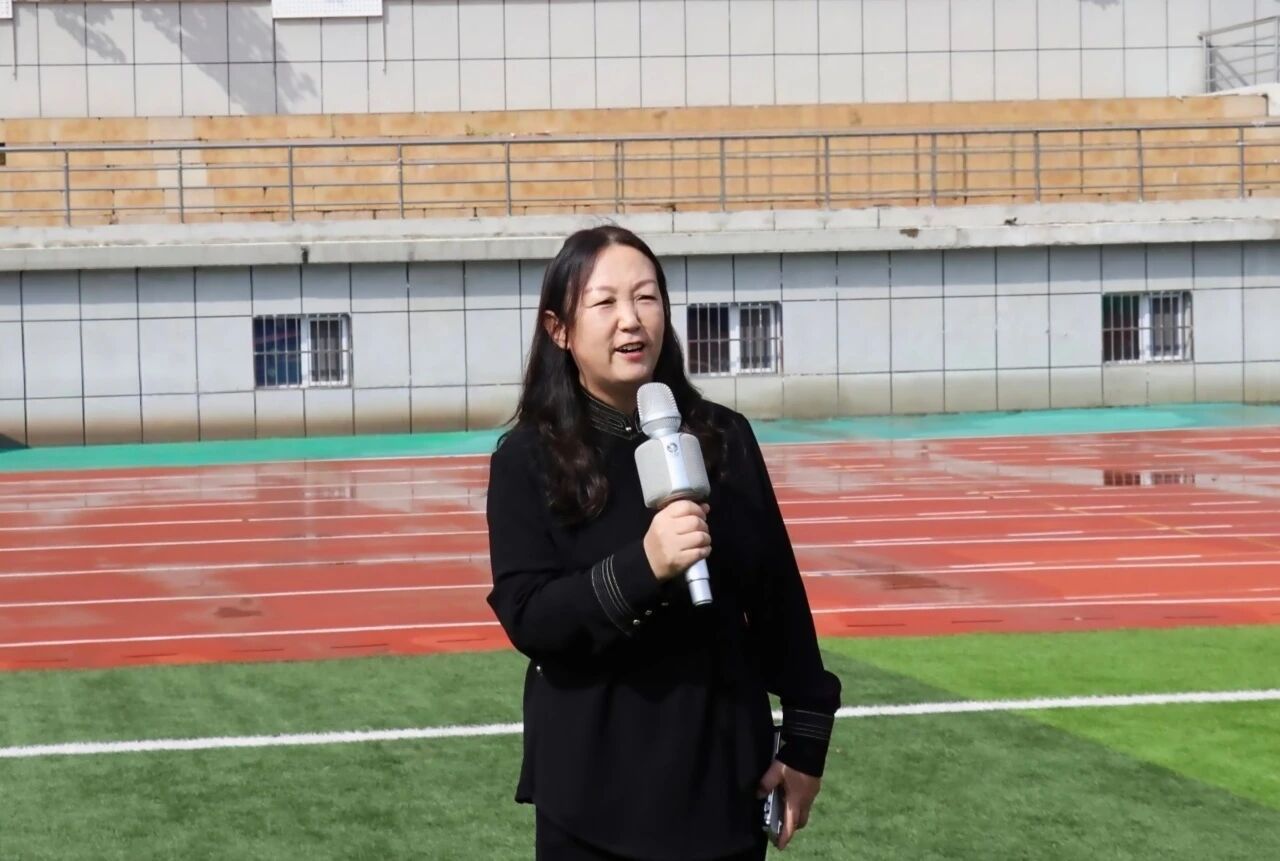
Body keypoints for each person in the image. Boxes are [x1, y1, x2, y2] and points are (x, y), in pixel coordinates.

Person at [485, 225, 841, 860]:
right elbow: (529, 616)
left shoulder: (724, 438)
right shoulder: (527, 459)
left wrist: (806, 744)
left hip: (721, 782)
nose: (631, 320)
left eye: (646, 297)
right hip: (591, 796)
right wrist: (644, 565)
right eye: (605, 302)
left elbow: (778, 600)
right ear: (558, 329)